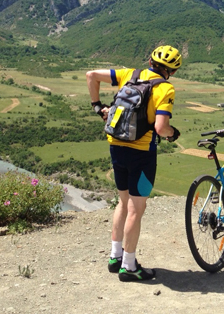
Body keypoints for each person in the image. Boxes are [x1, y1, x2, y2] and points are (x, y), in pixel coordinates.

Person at [86, 45, 182, 282]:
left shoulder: (130, 74)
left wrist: (98, 108)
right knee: (136, 209)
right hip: (141, 152)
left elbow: (91, 76)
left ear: (150, 61)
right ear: (172, 71)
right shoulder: (165, 88)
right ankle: (129, 267)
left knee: (123, 201)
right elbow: (160, 127)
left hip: (116, 145)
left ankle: (115, 256)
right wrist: (172, 134)